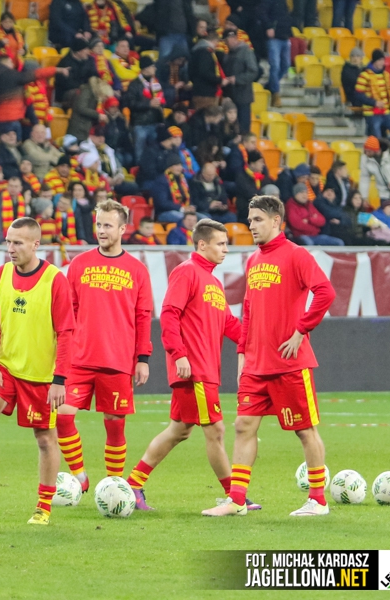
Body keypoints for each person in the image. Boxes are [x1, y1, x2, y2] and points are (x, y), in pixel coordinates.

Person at [202, 195, 336, 517]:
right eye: (250, 220)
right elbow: (248, 310)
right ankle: (237, 501)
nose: (251, 225)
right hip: (256, 363)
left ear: (276, 221)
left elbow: (325, 292)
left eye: (258, 219)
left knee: (305, 430)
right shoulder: (253, 261)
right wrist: (242, 352)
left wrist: (301, 330)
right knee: (243, 425)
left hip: (289, 363)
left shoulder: (296, 255)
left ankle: (318, 501)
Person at [0, 217, 75, 525]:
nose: (10, 248)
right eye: (8, 242)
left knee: (45, 439)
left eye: (17, 243)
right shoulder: (0, 275)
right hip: (6, 367)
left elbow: (66, 333)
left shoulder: (55, 280)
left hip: (41, 376)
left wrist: (59, 379)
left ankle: (43, 507)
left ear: (36, 245)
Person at [128, 219, 251, 510]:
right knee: (216, 431)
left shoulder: (213, 281)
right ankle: (234, 496)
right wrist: (179, 354)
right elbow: (169, 314)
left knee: (179, 430)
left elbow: (228, 323)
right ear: (202, 244)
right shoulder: (187, 272)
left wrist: (256, 341)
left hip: (204, 368)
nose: (225, 249)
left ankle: (133, 484)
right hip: (195, 368)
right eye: (221, 244)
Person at [54, 197, 152, 497]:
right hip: (80, 358)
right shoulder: (79, 264)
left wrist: (143, 358)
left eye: (108, 225)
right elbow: (67, 312)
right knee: (63, 416)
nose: (101, 230)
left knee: (115, 425)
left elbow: (143, 316)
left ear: (122, 229)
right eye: (99, 225)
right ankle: (80, 476)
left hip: (118, 360)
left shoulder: (137, 270)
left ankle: (113, 488)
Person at [123, 55, 164, 165]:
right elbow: (131, 104)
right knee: (139, 153)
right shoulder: (134, 84)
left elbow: (161, 100)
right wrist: (148, 104)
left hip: (154, 122)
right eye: (152, 66)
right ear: (145, 69)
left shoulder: (156, 83)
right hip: (140, 124)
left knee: (154, 152)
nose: (155, 68)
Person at [353, 50, 390, 144]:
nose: (382, 63)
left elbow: (388, 93)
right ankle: (380, 149)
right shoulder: (365, 75)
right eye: (379, 60)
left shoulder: (385, 75)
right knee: (376, 139)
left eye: (383, 60)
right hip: (372, 113)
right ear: (374, 61)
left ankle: (385, 148)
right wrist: (374, 103)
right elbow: (358, 95)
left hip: (386, 111)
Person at [220, 29, 258, 135]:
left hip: (243, 96)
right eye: (225, 41)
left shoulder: (246, 51)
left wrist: (236, 79)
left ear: (234, 38)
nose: (226, 43)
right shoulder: (228, 54)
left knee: (243, 128)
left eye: (227, 40)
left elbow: (253, 71)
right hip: (231, 96)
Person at [264, 0, 293, 108]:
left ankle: (270, 85)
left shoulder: (284, 2)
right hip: (274, 39)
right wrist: (269, 26)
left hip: (285, 37)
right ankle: (275, 93)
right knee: (275, 66)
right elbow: (261, 12)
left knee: (286, 65)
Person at [189, 28, 227, 110]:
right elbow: (205, 72)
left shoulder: (196, 51)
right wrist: (220, 80)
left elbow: (191, 72)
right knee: (208, 115)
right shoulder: (206, 52)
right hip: (206, 93)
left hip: (198, 91)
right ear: (215, 41)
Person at [151, 154, 191, 223]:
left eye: (180, 165)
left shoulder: (182, 180)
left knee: (203, 219)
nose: (179, 168)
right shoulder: (161, 181)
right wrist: (181, 208)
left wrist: (190, 207)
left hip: (183, 211)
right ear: (169, 167)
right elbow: (162, 203)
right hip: (164, 212)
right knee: (187, 219)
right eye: (176, 165)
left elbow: (188, 197)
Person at [235, 149, 267, 223]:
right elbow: (251, 194)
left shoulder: (262, 177)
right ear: (252, 164)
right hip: (246, 212)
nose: (263, 165)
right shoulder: (242, 178)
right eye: (260, 162)